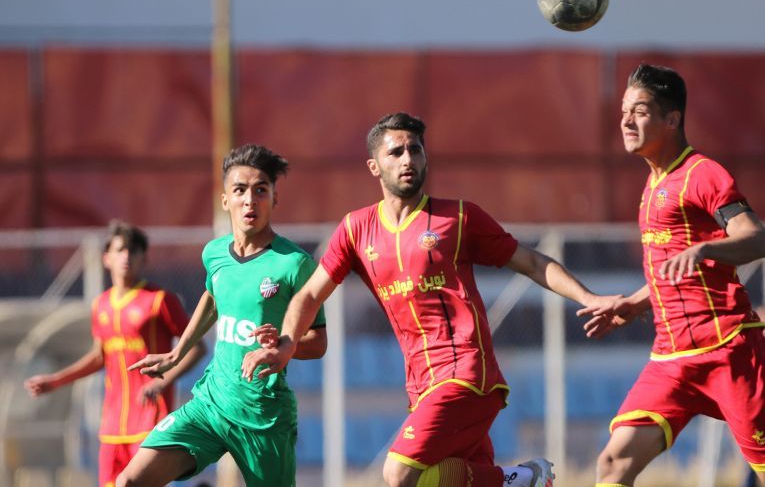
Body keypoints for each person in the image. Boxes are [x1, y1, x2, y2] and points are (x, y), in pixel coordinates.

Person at [245, 112, 615, 487]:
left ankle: (521, 477)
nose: (408, 159)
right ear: (374, 166)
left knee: (399, 473)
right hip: (420, 384)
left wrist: (588, 297)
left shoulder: (459, 217)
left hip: (466, 373)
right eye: (396, 152)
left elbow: (532, 262)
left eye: (415, 150)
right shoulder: (356, 230)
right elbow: (310, 293)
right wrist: (287, 344)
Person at [577, 63, 765, 487]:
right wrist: (635, 301)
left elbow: (756, 237)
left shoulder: (702, 173)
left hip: (726, 349)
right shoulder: (653, 184)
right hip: (671, 358)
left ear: (672, 119)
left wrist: (706, 249)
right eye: (624, 111)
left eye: (640, 111)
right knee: (614, 462)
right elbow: (676, 270)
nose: (626, 121)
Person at [116, 144, 327, 487]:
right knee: (130, 480)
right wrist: (177, 352)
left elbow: (318, 342)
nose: (250, 200)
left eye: (261, 190)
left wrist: (282, 346)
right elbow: (214, 299)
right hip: (210, 404)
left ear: (275, 198)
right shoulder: (214, 253)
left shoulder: (294, 264)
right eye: (240, 190)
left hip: (263, 415)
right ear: (225, 200)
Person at [24, 220, 206, 487]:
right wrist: (55, 381)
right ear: (106, 258)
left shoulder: (159, 300)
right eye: (120, 250)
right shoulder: (101, 305)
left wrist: (162, 381)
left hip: (149, 419)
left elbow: (198, 348)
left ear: (144, 258)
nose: (126, 256)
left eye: (134, 250)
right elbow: (100, 357)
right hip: (112, 424)